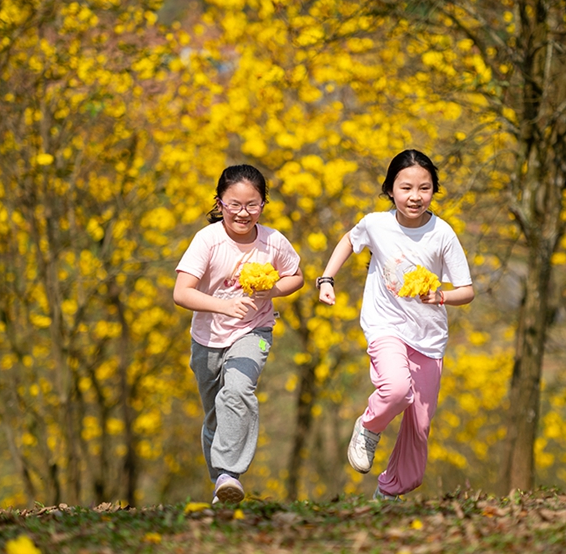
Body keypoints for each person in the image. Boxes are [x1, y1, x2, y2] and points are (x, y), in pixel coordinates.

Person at [318, 149, 474, 500]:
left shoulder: (443, 234)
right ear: (390, 189)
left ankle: (388, 494)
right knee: (396, 388)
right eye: (405, 188)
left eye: (424, 188)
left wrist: (441, 297)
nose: (415, 196)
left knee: (419, 427)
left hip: (429, 338)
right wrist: (326, 279)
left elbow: (467, 290)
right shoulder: (377, 224)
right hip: (385, 325)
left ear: (434, 190)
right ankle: (369, 426)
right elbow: (348, 240)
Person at [173, 164, 303, 504]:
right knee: (216, 413)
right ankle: (222, 484)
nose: (243, 213)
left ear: (263, 204)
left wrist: (272, 289)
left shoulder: (273, 240)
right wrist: (222, 306)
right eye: (235, 205)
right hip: (208, 338)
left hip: (254, 331)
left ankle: (230, 472)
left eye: (252, 205)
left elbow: (296, 276)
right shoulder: (208, 241)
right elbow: (182, 292)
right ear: (219, 204)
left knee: (238, 390)